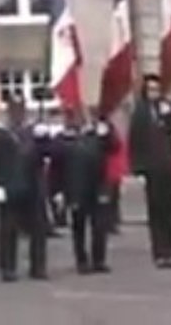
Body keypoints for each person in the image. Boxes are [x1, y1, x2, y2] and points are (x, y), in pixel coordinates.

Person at [0, 94, 48, 282]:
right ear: (9, 111)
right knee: (8, 230)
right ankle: (8, 267)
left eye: (21, 109)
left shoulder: (32, 133)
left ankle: (38, 266)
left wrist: (46, 139)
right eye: (15, 109)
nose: (19, 113)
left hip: (32, 186)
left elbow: (47, 155)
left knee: (38, 229)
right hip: (9, 187)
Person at [52, 107, 117, 275]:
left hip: (97, 186)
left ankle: (99, 260)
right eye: (71, 118)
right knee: (79, 227)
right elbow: (55, 169)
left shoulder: (94, 137)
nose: (75, 121)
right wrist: (57, 191)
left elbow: (113, 147)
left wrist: (107, 130)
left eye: (79, 118)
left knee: (99, 226)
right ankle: (81, 261)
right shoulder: (61, 141)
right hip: (75, 188)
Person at [128, 74, 171, 269]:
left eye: (156, 90)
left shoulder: (167, 108)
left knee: (169, 210)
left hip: (168, 166)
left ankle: (169, 250)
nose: (154, 93)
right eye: (150, 90)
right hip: (151, 168)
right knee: (155, 210)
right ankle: (158, 251)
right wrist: (137, 168)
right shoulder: (140, 112)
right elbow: (134, 141)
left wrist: (169, 116)